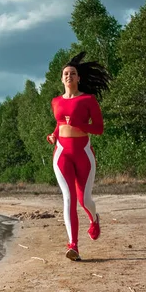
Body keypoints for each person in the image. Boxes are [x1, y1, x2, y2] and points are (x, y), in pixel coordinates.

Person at [46, 51, 111, 261]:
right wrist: (54, 135)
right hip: (62, 153)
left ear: (78, 78)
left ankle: (94, 220)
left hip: (83, 153)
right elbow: (59, 123)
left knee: (84, 200)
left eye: (72, 73)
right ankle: (73, 245)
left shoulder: (88, 100)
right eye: (65, 73)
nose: (68, 76)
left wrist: (78, 124)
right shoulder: (55, 101)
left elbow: (99, 128)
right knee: (68, 198)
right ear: (61, 78)